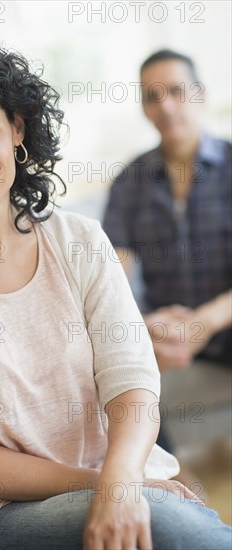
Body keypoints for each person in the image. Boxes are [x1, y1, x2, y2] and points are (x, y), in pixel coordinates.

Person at [0, 29, 231, 550]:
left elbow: (131, 381)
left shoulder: (79, 239)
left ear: (16, 128)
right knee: (167, 523)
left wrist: (121, 481)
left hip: (120, 480)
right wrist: (112, 487)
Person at [102, 50, 232, 453]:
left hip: (224, 327)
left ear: (200, 94)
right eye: (152, 97)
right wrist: (145, 327)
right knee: (108, 367)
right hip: (162, 336)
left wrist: (204, 324)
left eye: (176, 91)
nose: (167, 107)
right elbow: (109, 283)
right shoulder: (130, 182)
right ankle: (174, 484)